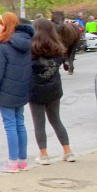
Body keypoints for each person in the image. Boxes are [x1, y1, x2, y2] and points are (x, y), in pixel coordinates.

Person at [0, 12, 34, 173]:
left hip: (6, 91)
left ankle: (12, 162)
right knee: (20, 123)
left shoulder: (2, 45)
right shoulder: (26, 43)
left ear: (6, 26)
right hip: (22, 89)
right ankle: (22, 160)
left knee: (10, 125)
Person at [28, 18, 74, 165]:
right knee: (56, 119)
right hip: (54, 88)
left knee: (39, 123)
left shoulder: (31, 49)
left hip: (35, 89)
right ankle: (68, 151)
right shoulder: (58, 48)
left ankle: (44, 154)